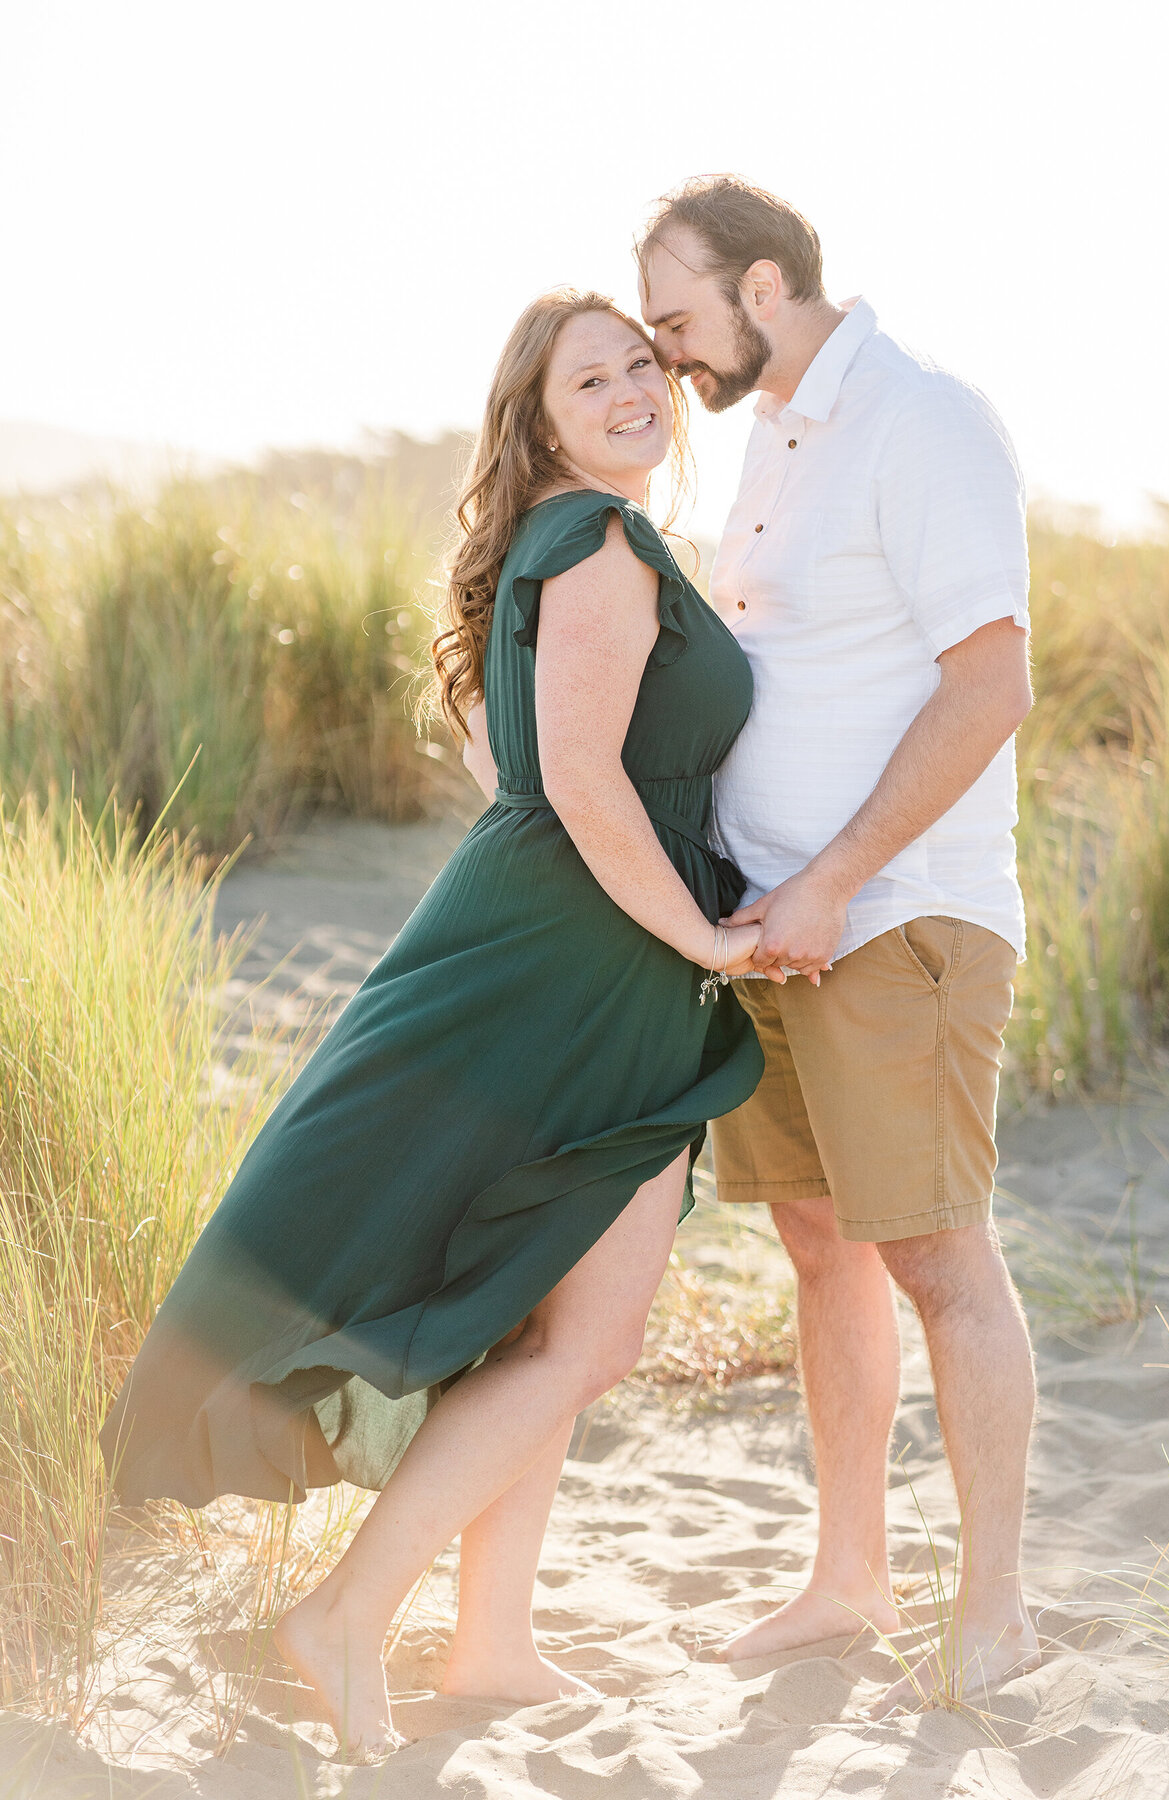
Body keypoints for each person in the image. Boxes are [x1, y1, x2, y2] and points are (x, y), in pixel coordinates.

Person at [100, 288, 777, 1760]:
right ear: (537, 425)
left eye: (641, 365)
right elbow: (585, 789)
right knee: (586, 1343)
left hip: (555, 948)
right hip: (592, 970)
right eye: (587, 379)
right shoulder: (597, 540)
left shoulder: (550, 548)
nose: (629, 390)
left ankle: (491, 1640)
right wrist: (706, 937)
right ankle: (347, 1618)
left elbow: (511, 771)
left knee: (542, 1308)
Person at [637, 176, 1040, 1710]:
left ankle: (992, 1612)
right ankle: (849, 1580)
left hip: (897, 915)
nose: (669, 359)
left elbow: (987, 688)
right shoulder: (771, 446)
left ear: (761, 285)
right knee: (820, 1246)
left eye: (679, 322)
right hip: (776, 931)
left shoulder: (923, 421)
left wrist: (835, 882)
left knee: (939, 1256)